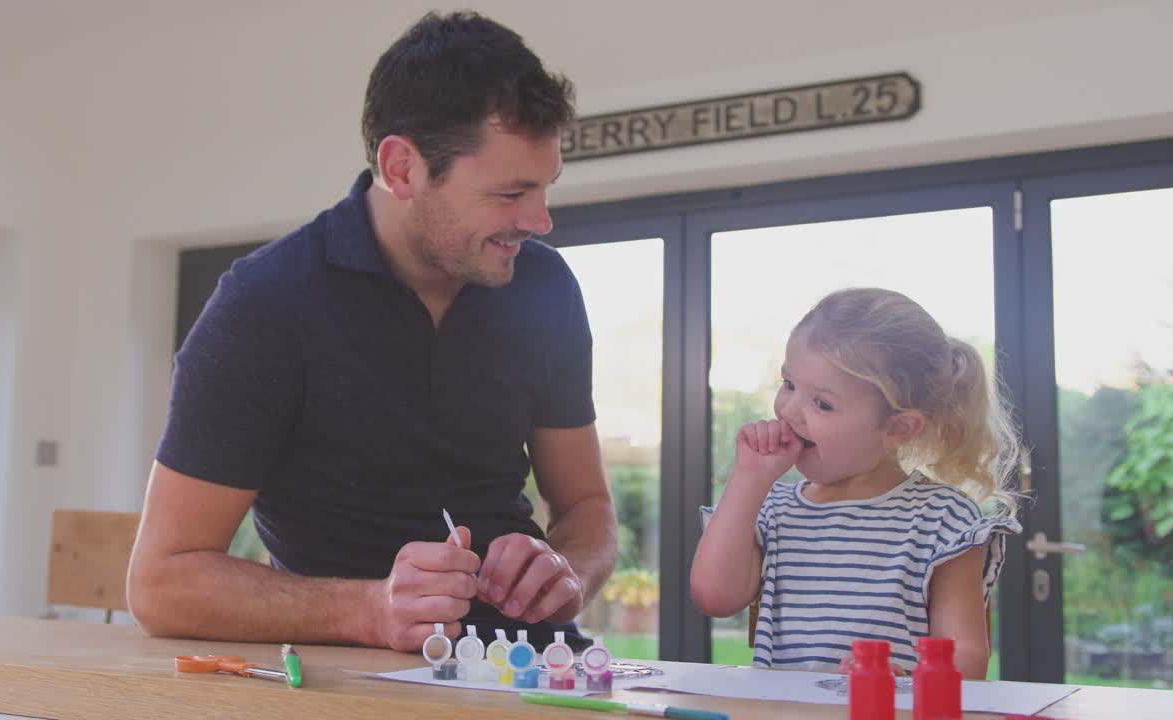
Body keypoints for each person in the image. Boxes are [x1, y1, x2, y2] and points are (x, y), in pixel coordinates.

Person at [127, 11, 617, 654]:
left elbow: (589, 512)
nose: (541, 220)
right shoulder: (266, 303)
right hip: (349, 679)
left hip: (531, 670)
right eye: (510, 193)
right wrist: (367, 610)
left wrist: (568, 568)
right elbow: (162, 583)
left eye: (546, 188)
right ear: (403, 168)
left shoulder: (546, 286)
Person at [690, 287, 1022, 678]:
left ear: (898, 427)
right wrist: (748, 478)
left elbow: (966, 654)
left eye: (822, 403)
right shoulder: (772, 508)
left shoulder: (942, 518)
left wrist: (912, 683)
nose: (789, 411)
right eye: (789, 384)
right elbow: (714, 597)